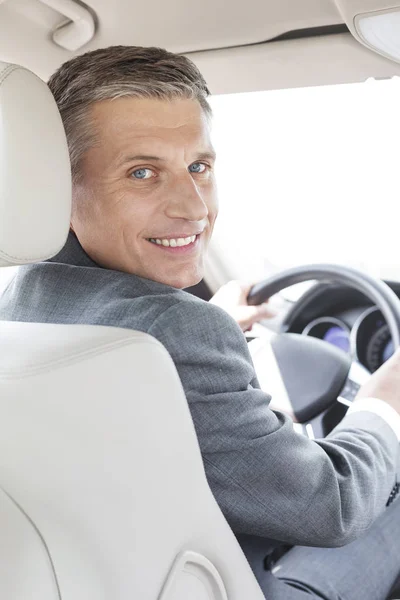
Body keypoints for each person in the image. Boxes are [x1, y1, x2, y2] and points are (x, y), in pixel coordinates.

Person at [0, 46, 399, 600]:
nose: (193, 208)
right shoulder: (175, 331)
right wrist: (383, 401)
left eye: (199, 167)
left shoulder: (14, 305)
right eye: (142, 172)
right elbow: (333, 506)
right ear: (61, 187)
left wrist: (215, 321)